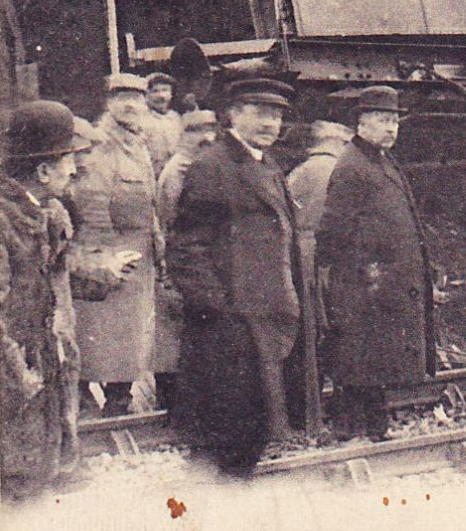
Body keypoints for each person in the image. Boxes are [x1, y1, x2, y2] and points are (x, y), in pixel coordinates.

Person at [166, 77, 308, 475]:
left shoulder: (267, 165)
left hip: (269, 320)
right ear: (233, 114)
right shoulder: (213, 166)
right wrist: (221, 312)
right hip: (233, 329)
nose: (271, 123)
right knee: (229, 441)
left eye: (277, 114)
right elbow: (185, 250)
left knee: (252, 435)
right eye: (260, 112)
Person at [0, 102, 132, 497]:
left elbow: (56, 272)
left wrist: (101, 270)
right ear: (43, 171)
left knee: (44, 467)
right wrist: (18, 375)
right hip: (15, 374)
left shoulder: (47, 211)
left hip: (46, 362)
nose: (76, 171)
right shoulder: (1, 221)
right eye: (69, 162)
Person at [315, 86, 435, 440]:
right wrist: (355, 273)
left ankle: (371, 428)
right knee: (361, 357)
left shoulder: (379, 160)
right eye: (383, 120)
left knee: (372, 358)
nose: (391, 128)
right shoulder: (352, 166)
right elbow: (333, 228)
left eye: (395, 120)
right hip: (363, 282)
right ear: (361, 123)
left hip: (379, 282)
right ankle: (354, 430)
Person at [72, 73, 162, 417]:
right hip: (114, 252)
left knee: (130, 334)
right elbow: (91, 204)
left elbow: (150, 201)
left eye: (137, 98)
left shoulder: (138, 143)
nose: (130, 104)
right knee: (101, 332)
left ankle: (118, 399)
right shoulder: (101, 144)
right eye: (122, 97)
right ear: (108, 103)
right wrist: (105, 257)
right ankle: (92, 401)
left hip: (140, 251)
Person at [151, 109, 219, 414]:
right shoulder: (179, 171)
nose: (206, 137)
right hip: (180, 259)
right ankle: (174, 404)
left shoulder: (197, 167)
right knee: (175, 335)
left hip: (193, 258)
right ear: (184, 136)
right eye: (197, 131)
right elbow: (175, 220)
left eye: (210, 130)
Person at [287, 120, 354, 282]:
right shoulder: (340, 170)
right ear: (336, 142)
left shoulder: (302, 170)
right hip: (329, 249)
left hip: (303, 247)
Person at [141, 72, 183, 178]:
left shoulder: (176, 118)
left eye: (165, 90)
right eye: (155, 91)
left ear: (171, 94)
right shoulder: (141, 120)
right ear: (146, 95)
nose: (161, 96)